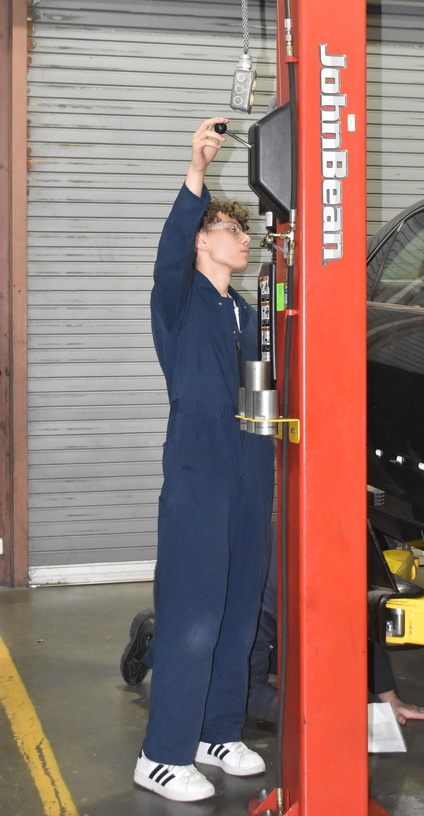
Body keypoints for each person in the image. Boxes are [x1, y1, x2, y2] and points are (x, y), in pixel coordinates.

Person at [132, 118, 274, 803]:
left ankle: (217, 732)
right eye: (231, 229)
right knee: (193, 607)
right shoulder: (180, 301)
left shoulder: (245, 314)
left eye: (245, 231)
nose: (244, 239)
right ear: (199, 240)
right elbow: (167, 254)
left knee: (239, 601)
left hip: (250, 461)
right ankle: (162, 753)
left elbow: (263, 390)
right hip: (199, 464)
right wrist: (196, 170)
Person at [123, 532, 424, 732]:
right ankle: (151, 639)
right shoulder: (256, 608)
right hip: (211, 616)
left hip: (275, 610)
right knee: (197, 671)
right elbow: (248, 691)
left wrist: (391, 701)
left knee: (321, 662)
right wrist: (316, 719)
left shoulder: (333, 566)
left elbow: (360, 631)